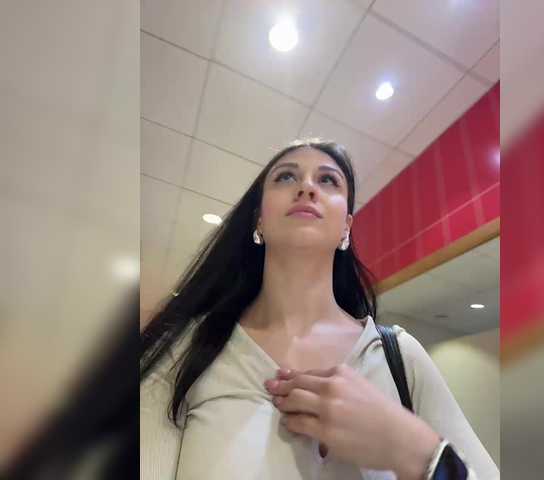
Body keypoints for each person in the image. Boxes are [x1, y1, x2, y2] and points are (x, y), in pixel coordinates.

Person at [140, 139, 499, 479]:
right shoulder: (184, 350)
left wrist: (412, 449)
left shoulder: (401, 358)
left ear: (346, 227)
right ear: (258, 219)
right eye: (286, 177)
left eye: (328, 180)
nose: (307, 187)